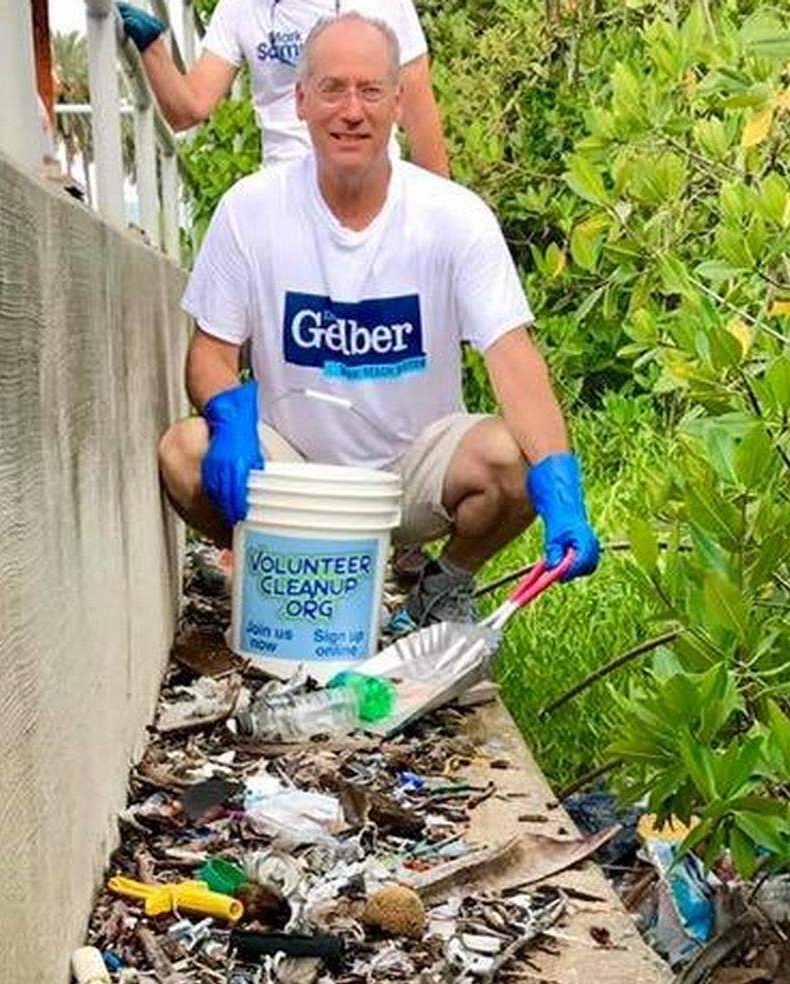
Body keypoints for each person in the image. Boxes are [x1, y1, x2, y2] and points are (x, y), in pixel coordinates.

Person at [158, 12, 600, 628]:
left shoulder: (455, 217)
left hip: (408, 476)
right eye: (332, 89)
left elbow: (514, 360)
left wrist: (561, 485)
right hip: (295, 476)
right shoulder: (248, 212)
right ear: (300, 100)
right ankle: (287, 574)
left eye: (370, 91)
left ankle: (442, 587)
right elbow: (210, 353)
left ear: (397, 101)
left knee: (514, 458)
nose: (351, 111)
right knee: (184, 452)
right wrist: (229, 418)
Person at [116, 0, 448, 176]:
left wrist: (442, 225)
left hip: (372, 192)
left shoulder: (386, 4)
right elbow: (188, 110)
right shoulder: (240, 8)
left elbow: (420, 117)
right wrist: (152, 47)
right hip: (284, 196)